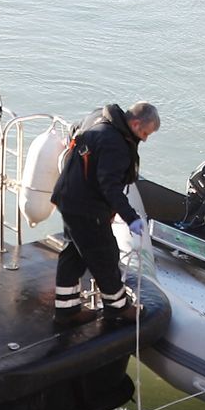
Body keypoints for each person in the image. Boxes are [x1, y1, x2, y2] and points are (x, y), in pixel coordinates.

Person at [51, 101, 160, 326]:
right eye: (145, 133)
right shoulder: (116, 145)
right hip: (85, 206)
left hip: (68, 196)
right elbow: (109, 186)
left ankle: (66, 310)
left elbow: (74, 130)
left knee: (73, 252)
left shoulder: (97, 117)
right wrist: (131, 218)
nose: (145, 139)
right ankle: (118, 307)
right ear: (136, 123)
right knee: (105, 253)